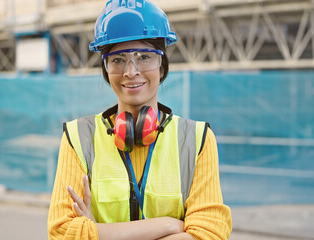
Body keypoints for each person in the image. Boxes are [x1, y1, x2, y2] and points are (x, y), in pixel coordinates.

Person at [47, 0, 232, 239]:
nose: (131, 71)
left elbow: (210, 233)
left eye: (144, 57)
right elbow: (62, 232)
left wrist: (98, 232)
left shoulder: (197, 141)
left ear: (162, 65)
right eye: (118, 59)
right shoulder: (78, 138)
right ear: (106, 69)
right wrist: (168, 225)